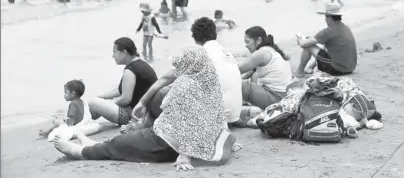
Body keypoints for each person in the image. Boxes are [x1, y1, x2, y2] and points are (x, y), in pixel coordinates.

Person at [53, 45, 237, 171]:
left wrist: (184, 157)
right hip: (188, 139)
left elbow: (186, 123)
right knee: (121, 143)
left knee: (120, 144)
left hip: (165, 142)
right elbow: (216, 113)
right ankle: (92, 145)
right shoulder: (209, 79)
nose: (177, 68)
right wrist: (225, 138)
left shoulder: (185, 86)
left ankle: (80, 151)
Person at [88, 37, 157, 127]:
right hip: (145, 113)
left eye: (115, 52)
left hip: (133, 116)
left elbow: (125, 99)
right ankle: (85, 121)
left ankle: (82, 122)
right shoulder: (139, 65)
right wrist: (101, 97)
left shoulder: (130, 70)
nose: (113, 56)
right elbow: (120, 90)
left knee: (92, 103)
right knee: (97, 101)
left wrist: (109, 104)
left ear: (124, 52)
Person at [237, 26, 292, 110]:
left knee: (235, 83)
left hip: (276, 97)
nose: (246, 45)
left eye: (247, 42)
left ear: (258, 40)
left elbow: (236, 69)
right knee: (237, 82)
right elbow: (248, 72)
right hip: (282, 96)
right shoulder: (271, 50)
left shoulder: (262, 52)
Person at [295, 3, 357, 77]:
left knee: (308, 47)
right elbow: (324, 45)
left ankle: (299, 71)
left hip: (337, 69)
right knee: (325, 47)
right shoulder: (345, 28)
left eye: (325, 17)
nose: (325, 19)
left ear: (330, 18)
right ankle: (310, 68)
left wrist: (300, 40)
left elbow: (303, 44)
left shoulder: (329, 31)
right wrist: (310, 40)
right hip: (350, 68)